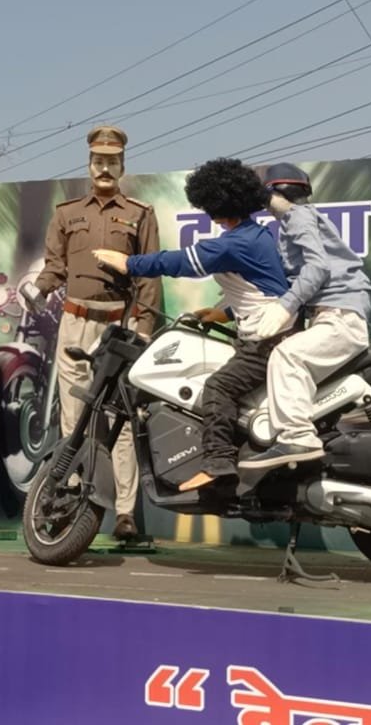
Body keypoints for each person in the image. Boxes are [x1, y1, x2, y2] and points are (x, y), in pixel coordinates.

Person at [92, 157, 291, 492]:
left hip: (266, 341)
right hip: (268, 333)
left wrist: (129, 263)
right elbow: (263, 289)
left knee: (218, 388)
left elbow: (183, 261)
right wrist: (224, 313)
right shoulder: (254, 235)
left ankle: (218, 464)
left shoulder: (235, 243)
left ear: (214, 203)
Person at [28, 125, 161, 539]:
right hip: (75, 322)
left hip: (119, 327)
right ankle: (70, 499)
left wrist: (143, 328)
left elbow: (150, 276)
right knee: (72, 418)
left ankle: (125, 513)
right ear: (89, 165)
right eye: (98, 161)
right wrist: (38, 289)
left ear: (122, 166)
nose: (105, 168)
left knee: (120, 420)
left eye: (112, 161)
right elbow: (55, 267)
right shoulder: (66, 213)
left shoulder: (140, 213)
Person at [241, 162, 371, 470]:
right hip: (332, 314)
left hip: (340, 315)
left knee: (287, 356)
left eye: (265, 197)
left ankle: (298, 437)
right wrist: (224, 312)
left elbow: (318, 268)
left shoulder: (298, 217)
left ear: (276, 191)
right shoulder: (293, 223)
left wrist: (285, 306)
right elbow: (289, 281)